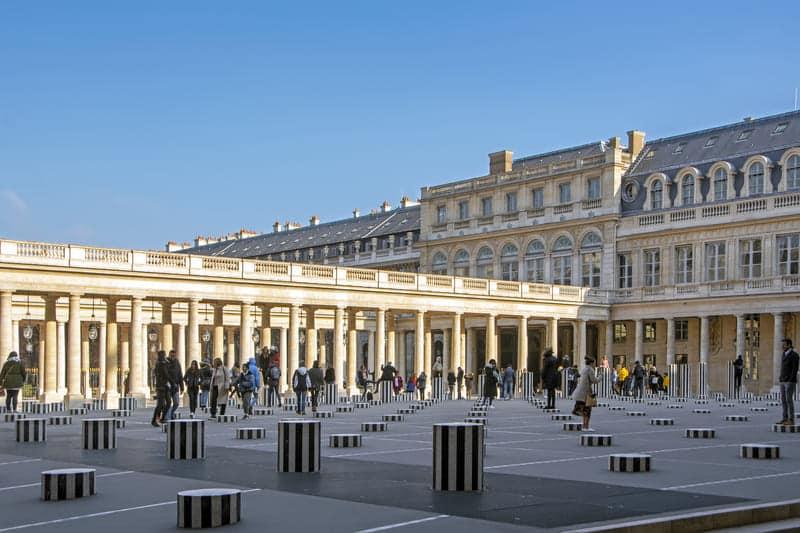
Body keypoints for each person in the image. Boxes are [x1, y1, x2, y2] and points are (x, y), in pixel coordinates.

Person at [572, 357, 599, 432]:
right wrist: (600, 377)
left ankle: (585, 426)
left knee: (584, 410)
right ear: (591, 363)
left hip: (580, 392)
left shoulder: (584, 369)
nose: (594, 364)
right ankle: (586, 427)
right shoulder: (590, 369)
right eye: (594, 363)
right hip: (585, 393)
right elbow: (594, 380)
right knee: (587, 410)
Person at [778, 338, 799, 426]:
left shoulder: (794, 355)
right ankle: (784, 418)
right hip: (783, 380)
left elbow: (795, 369)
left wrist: (790, 380)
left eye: (784, 344)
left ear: (789, 345)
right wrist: (780, 378)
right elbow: (783, 367)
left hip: (790, 382)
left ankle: (791, 419)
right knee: (783, 400)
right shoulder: (784, 354)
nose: (782, 346)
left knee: (789, 400)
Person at [151, 350, 173, 427]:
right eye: (163, 355)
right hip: (161, 387)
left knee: (169, 402)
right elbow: (166, 374)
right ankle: (154, 420)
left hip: (165, 386)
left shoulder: (164, 363)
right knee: (160, 404)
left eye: (164, 355)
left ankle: (162, 418)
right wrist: (172, 382)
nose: (164, 356)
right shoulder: (160, 364)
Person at [166, 350, 184, 420]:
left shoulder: (177, 363)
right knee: (168, 402)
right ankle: (168, 418)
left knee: (176, 403)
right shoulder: (166, 362)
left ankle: (171, 413)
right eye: (171, 355)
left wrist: (182, 387)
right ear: (169, 355)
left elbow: (180, 374)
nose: (172, 356)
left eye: (174, 355)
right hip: (168, 386)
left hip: (176, 386)